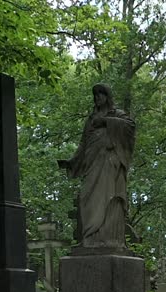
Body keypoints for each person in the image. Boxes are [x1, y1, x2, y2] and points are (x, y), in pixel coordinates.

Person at [58, 84, 135, 250]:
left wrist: (106, 122)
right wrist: (71, 162)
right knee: (86, 197)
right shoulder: (91, 119)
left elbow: (130, 126)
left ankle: (107, 239)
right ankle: (89, 238)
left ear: (107, 97)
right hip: (91, 163)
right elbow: (83, 144)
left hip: (109, 163)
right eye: (95, 95)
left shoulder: (117, 114)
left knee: (108, 197)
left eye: (100, 95)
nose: (97, 98)